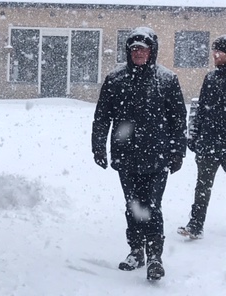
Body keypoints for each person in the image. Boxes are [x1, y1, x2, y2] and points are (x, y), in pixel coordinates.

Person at [91, 27, 187, 281]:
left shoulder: (167, 80)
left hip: (158, 156)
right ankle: (136, 250)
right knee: (133, 205)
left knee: (152, 205)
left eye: (143, 49)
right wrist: (98, 145)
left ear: (152, 51)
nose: (138, 53)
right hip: (127, 156)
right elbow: (102, 116)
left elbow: (178, 118)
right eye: (134, 49)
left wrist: (178, 151)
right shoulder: (116, 79)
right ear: (128, 51)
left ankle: (155, 255)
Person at [178, 35, 226, 240]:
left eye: (219, 51)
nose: (215, 55)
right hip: (208, 143)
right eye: (214, 51)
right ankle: (196, 225)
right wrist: (194, 134)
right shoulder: (211, 78)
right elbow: (200, 108)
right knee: (202, 186)